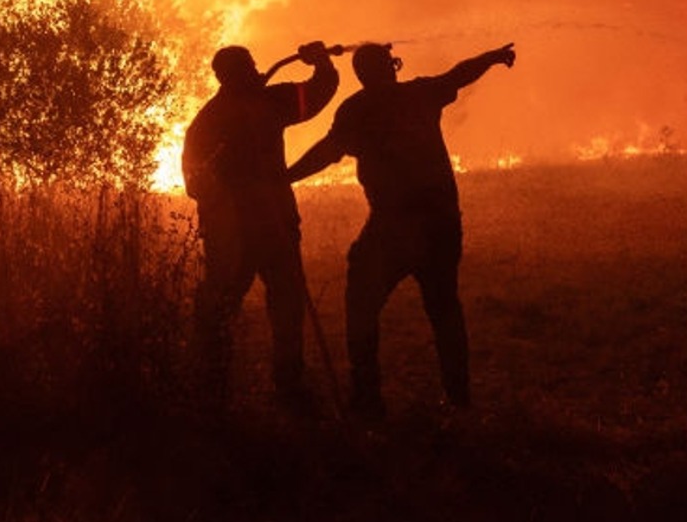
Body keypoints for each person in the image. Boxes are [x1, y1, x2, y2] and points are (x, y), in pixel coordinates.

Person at [285, 41, 515, 419]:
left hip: (392, 226)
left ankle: (368, 398)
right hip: (441, 221)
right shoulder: (420, 94)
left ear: (360, 75)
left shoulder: (356, 109)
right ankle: (458, 399)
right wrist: (491, 57)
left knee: (361, 303)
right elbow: (460, 73)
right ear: (392, 67)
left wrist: (286, 177)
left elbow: (328, 151)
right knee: (444, 308)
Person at [182, 40, 339, 411]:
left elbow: (316, 94)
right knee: (225, 306)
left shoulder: (263, 104)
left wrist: (322, 65)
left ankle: (284, 383)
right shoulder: (223, 119)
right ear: (229, 75)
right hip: (242, 232)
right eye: (248, 67)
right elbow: (195, 182)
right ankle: (215, 384)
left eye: (253, 66)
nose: (256, 71)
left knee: (283, 304)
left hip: (272, 227)